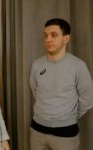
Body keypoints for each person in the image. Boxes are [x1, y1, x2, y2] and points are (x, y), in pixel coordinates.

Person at [30, 18, 93, 150]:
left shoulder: (78, 66)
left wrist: (68, 116)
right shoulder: (37, 65)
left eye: (54, 35)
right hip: (37, 132)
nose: (48, 40)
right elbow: (36, 91)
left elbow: (88, 98)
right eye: (46, 36)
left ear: (66, 39)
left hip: (66, 134)